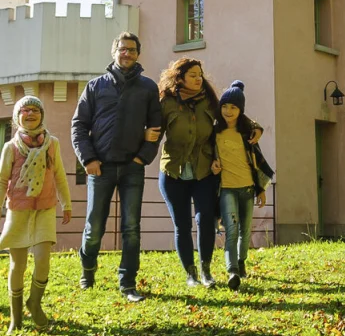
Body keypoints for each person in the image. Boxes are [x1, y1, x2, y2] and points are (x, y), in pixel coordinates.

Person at [71, 31, 162, 302]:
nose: (127, 53)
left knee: (132, 227)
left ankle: (128, 283)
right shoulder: (95, 86)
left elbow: (157, 128)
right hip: (101, 168)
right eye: (123, 49)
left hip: (133, 167)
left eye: (132, 50)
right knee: (94, 227)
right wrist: (88, 159)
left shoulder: (148, 88)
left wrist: (142, 158)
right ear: (114, 52)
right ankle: (88, 270)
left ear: (138, 54)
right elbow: (79, 126)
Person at [0, 96, 72, 333]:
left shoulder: (52, 144)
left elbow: (59, 175)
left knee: (43, 259)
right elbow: (2, 181)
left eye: (35, 110)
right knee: (17, 264)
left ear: (42, 115)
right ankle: (16, 318)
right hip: (18, 211)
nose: (30, 114)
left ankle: (35, 303)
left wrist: (67, 204)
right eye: (24, 110)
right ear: (17, 116)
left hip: (45, 209)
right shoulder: (10, 148)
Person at [157, 58, 221, 289]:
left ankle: (206, 271)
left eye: (200, 74)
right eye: (192, 74)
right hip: (173, 171)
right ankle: (190, 274)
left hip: (204, 170)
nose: (198, 78)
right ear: (180, 77)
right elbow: (153, 130)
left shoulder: (210, 102)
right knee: (182, 225)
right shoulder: (167, 102)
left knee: (205, 219)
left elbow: (225, 128)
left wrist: (253, 129)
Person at [212, 81, 273, 291]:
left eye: (234, 107)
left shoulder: (248, 134)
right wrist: (213, 165)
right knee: (231, 230)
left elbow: (256, 163)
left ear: (241, 110)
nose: (228, 111)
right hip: (226, 189)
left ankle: (241, 261)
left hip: (247, 188)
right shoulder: (214, 131)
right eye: (225, 106)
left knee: (245, 232)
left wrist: (261, 189)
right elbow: (209, 156)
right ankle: (232, 271)